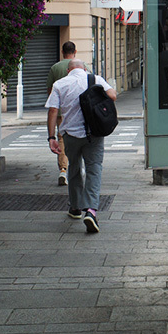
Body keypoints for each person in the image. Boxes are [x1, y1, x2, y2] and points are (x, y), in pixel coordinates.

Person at [46, 59, 116, 233]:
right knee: (94, 169)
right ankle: (91, 211)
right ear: (84, 68)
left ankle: (75, 207)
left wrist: (51, 137)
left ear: (69, 70)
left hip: (70, 135)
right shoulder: (95, 79)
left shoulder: (60, 84)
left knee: (74, 168)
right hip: (94, 133)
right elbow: (113, 95)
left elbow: (53, 110)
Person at [45, 41, 88, 186]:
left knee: (62, 137)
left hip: (60, 110)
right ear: (75, 51)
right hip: (78, 109)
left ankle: (63, 169)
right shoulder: (82, 66)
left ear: (62, 52)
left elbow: (50, 91)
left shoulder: (55, 68)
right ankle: (79, 167)